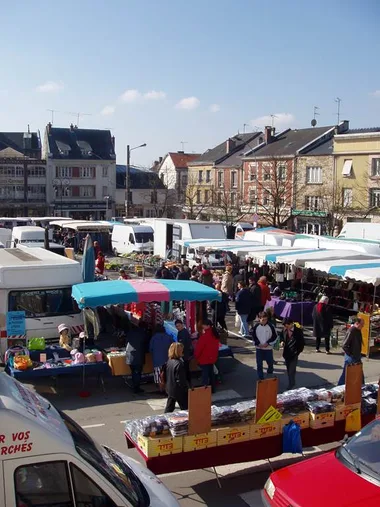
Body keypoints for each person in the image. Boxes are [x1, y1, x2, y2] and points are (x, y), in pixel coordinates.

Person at [194, 320, 220, 393]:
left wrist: (196, 356)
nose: (203, 326)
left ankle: (205, 391)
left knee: (205, 376)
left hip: (204, 358)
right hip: (212, 357)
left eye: (204, 325)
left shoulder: (205, 336)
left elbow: (199, 348)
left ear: (208, 326)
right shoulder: (215, 334)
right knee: (211, 374)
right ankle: (212, 389)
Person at [338, 317, 365, 386]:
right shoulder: (351, 331)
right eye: (362, 324)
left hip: (356, 355)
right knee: (346, 374)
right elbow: (344, 345)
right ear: (357, 323)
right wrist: (350, 354)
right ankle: (339, 386)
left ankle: (362, 386)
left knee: (359, 373)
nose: (363, 326)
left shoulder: (358, 330)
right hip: (351, 357)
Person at [280, 318, 305, 390]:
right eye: (285, 326)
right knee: (288, 369)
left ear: (291, 324)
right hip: (286, 353)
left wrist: (298, 352)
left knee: (291, 370)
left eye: (287, 325)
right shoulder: (284, 330)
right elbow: (281, 336)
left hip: (294, 353)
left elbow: (302, 343)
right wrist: (282, 342)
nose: (286, 327)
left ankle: (291, 384)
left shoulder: (298, 331)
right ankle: (292, 382)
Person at [164, 342, 189, 413]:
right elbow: (181, 380)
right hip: (179, 390)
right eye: (182, 350)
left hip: (170, 388)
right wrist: (186, 389)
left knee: (169, 408)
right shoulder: (179, 364)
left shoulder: (169, 361)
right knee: (186, 409)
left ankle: (164, 420)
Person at [252, 311, 277, 380]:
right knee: (259, 364)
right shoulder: (256, 326)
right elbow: (253, 337)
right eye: (263, 320)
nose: (264, 321)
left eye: (266, 319)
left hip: (268, 349)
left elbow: (275, 336)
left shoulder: (271, 326)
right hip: (259, 348)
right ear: (259, 319)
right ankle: (261, 377)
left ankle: (269, 373)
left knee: (270, 363)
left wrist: (268, 343)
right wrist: (258, 343)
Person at [149, 324, 174, 392]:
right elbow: (174, 347)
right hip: (168, 360)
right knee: (167, 376)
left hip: (157, 360)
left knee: (158, 376)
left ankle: (161, 390)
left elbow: (150, 349)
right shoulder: (168, 337)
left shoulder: (153, 338)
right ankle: (167, 390)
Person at [125, 323, 149, 394]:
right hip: (138, 356)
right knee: (137, 373)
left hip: (129, 355)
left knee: (133, 372)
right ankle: (136, 388)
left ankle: (135, 386)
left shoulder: (129, 333)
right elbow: (146, 343)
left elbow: (126, 341)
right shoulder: (142, 334)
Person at [175, 319, 193, 385]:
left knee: (185, 369)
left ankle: (187, 383)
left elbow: (182, 344)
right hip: (185, 354)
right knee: (186, 369)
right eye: (176, 326)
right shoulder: (182, 332)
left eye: (178, 326)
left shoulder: (183, 333)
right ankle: (188, 382)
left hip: (185, 354)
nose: (177, 328)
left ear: (182, 325)